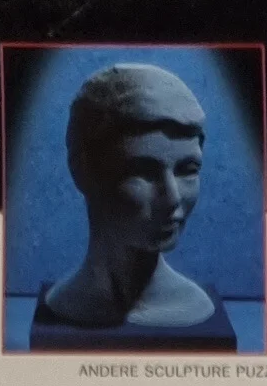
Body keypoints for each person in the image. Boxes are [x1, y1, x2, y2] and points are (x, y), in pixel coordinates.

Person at [43, 64, 216, 328]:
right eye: (143, 171)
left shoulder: (189, 302)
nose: (172, 198)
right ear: (82, 170)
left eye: (188, 170)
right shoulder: (69, 300)